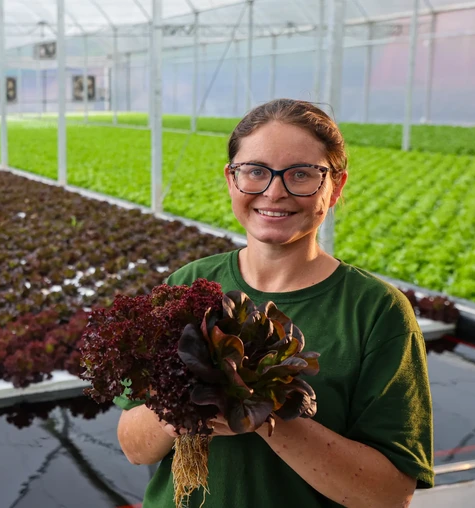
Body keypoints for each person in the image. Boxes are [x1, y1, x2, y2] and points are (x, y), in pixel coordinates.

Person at [115, 98, 434, 507]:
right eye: (255, 172)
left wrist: (261, 414)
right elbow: (135, 447)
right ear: (232, 180)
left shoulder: (375, 312)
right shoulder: (188, 285)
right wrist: (187, 405)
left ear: (335, 187)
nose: (275, 191)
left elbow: (390, 496)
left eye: (302, 174)